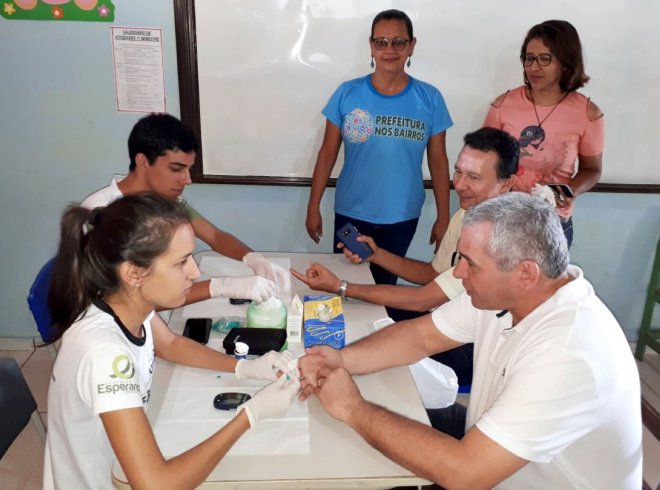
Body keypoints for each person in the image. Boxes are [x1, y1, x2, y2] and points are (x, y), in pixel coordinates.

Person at [298, 193, 642, 489]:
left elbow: (466, 475)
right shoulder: (503, 294)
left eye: (470, 263)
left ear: (525, 273)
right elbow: (421, 337)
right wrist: (340, 360)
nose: (458, 273)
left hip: (499, 475)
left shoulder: (570, 353)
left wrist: (353, 408)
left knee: (361, 438)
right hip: (487, 443)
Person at [43, 194, 300, 489]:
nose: (195, 271)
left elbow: (170, 345)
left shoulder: (126, 303)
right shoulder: (103, 353)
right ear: (133, 273)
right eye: (181, 263)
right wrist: (250, 415)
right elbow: (156, 484)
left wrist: (246, 368)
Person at [292, 127, 519, 386]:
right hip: (439, 321)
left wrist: (341, 287)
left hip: (469, 346)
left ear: (507, 183)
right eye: (458, 171)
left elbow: (422, 300)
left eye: (474, 178)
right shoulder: (466, 215)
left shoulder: (500, 236)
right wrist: (376, 255)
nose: (460, 184)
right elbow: (433, 274)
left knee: (366, 358)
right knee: (359, 326)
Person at [305, 9, 453, 288]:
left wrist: (443, 217)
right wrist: (313, 207)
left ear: (411, 45)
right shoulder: (347, 93)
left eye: (399, 42)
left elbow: (439, 161)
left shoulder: (430, 98)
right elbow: (327, 153)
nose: (390, 50)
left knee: (385, 287)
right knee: (346, 285)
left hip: (402, 215)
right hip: (352, 211)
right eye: (381, 42)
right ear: (371, 46)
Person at [82, 113, 290, 306]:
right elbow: (126, 301)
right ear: (143, 162)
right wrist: (221, 286)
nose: (187, 179)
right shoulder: (102, 215)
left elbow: (215, 236)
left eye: (188, 169)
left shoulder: (166, 200)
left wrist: (253, 258)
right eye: (176, 169)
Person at [484, 20, 604, 247]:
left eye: (545, 59)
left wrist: (565, 191)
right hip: (502, 218)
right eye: (529, 58)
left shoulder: (587, 113)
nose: (534, 67)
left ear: (566, 62)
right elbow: (483, 160)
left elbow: (592, 170)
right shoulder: (503, 105)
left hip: (552, 223)